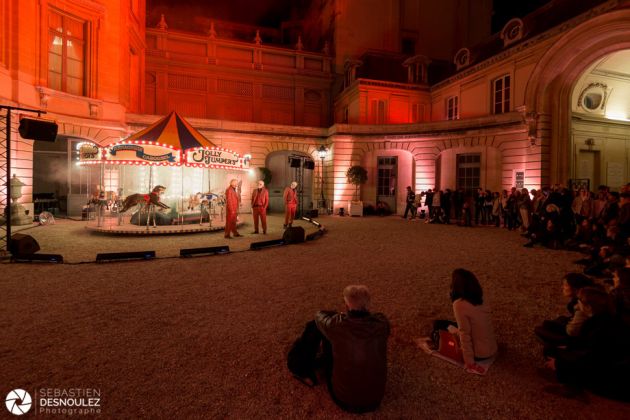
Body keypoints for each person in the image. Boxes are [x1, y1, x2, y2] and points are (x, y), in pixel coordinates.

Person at [288, 285, 390, 413]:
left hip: (343, 400)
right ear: (368, 304)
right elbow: (377, 317)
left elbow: (318, 315)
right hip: (375, 400)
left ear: (346, 304)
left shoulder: (336, 325)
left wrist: (338, 315)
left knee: (316, 326)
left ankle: (301, 369)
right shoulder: (382, 324)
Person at [437, 269, 498, 374]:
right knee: (452, 324)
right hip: (492, 348)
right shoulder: (481, 297)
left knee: (439, 325)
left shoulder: (459, 304)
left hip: (479, 355)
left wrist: (469, 361)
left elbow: (465, 333)